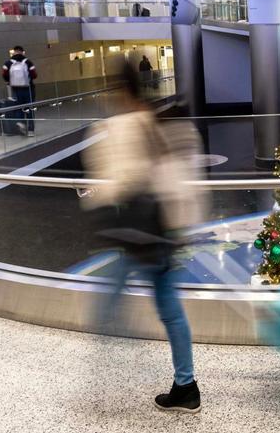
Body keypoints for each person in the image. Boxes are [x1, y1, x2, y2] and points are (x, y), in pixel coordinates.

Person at [82, 61, 206, 413]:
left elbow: (118, 181)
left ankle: (114, 379)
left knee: (107, 306)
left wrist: (98, 194)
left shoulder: (120, 127)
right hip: (164, 232)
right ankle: (186, 384)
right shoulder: (159, 118)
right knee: (169, 310)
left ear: (119, 89)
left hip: (137, 235)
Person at [1, 46, 37, 136]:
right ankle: (31, 130)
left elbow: (4, 75)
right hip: (28, 89)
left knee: (18, 107)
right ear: (22, 52)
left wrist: (10, 81)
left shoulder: (8, 63)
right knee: (29, 108)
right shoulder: (28, 62)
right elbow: (34, 75)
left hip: (15, 89)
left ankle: (21, 123)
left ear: (14, 52)